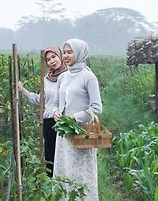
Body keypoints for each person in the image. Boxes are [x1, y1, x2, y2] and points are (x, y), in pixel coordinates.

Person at [53, 38, 102, 201]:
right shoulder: (63, 77)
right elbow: (56, 101)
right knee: (63, 169)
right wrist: (56, 112)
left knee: (80, 172)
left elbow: (97, 108)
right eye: (64, 52)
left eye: (70, 52)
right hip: (63, 134)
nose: (66, 55)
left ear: (80, 53)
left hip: (81, 133)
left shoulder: (88, 77)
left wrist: (74, 117)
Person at [18, 46, 67, 177]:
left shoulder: (70, 75)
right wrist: (23, 90)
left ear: (60, 56)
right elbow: (41, 101)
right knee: (51, 157)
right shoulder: (46, 79)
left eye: (54, 57)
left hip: (67, 122)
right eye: (48, 59)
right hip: (50, 122)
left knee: (66, 156)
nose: (52, 61)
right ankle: (53, 188)